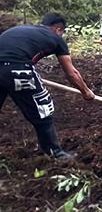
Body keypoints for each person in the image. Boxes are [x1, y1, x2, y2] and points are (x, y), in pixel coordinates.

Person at [0, 13, 95, 159]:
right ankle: (54, 152)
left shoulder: (22, 30)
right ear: (58, 29)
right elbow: (71, 73)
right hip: (18, 69)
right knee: (44, 110)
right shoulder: (57, 39)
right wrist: (86, 91)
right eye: (62, 32)